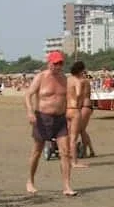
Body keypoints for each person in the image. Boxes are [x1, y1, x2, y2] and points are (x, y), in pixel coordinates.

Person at [25, 51, 76, 196]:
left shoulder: (64, 79)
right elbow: (28, 95)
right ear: (49, 63)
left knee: (65, 153)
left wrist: (71, 114)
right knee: (37, 152)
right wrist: (29, 112)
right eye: (55, 64)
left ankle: (66, 186)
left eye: (61, 63)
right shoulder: (41, 77)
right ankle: (30, 180)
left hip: (60, 120)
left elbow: (69, 99)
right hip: (42, 118)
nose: (58, 66)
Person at [67, 61, 88, 169]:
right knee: (73, 138)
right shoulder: (77, 81)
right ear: (80, 70)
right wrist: (78, 100)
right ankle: (74, 162)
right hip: (75, 109)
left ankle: (67, 158)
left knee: (67, 135)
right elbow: (79, 93)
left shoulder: (68, 80)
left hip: (66, 109)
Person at [78, 66, 96, 157]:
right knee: (82, 130)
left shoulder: (83, 81)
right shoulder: (86, 81)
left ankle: (84, 151)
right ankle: (91, 150)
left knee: (81, 130)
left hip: (85, 106)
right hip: (86, 106)